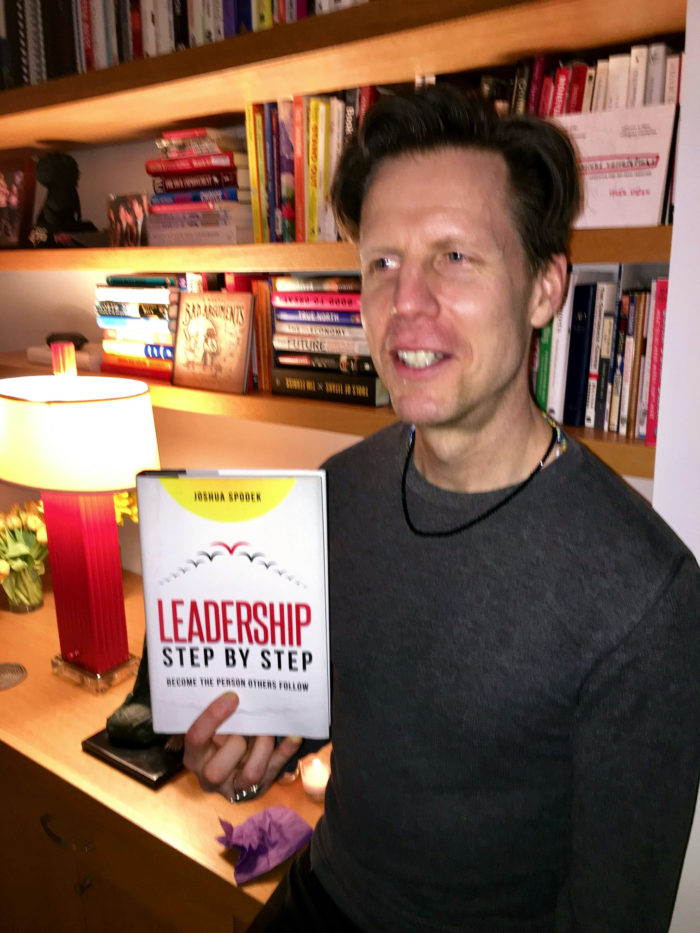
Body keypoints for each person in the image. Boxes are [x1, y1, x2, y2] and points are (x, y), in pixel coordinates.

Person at [183, 85, 700, 931]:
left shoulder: (645, 598)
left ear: (544, 289)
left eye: (455, 257)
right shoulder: (335, 492)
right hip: (319, 896)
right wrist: (248, 751)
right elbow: (327, 724)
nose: (406, 304)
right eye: (382, 263)